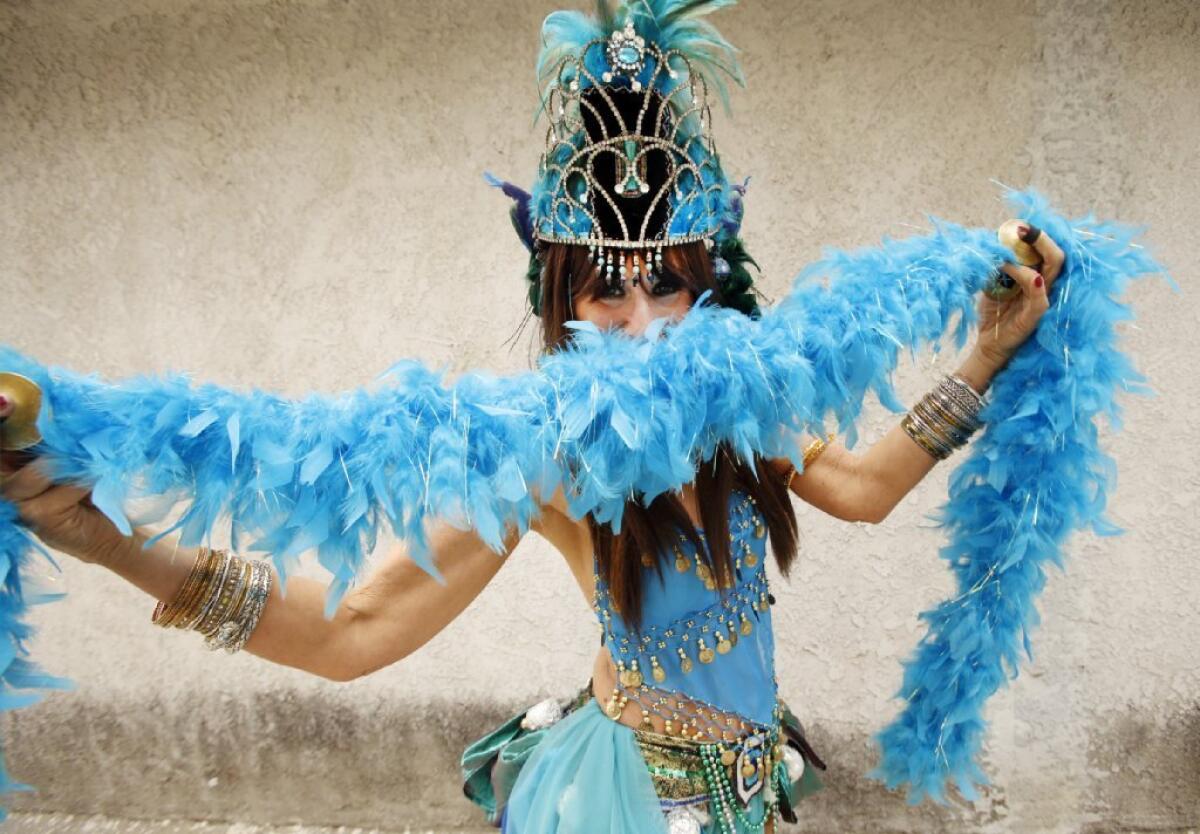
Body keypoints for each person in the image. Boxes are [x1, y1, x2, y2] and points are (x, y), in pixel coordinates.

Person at [0, 2, 1065, 832]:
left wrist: (985, 349)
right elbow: (349, 634)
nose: (643, 324)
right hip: (629, 807)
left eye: (666, 283)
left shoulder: (748, 403)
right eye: (606, 290)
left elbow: (868, 492)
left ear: (711, 286)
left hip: (745, 793)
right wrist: (106, 542)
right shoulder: (547, 459)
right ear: (559, 310)